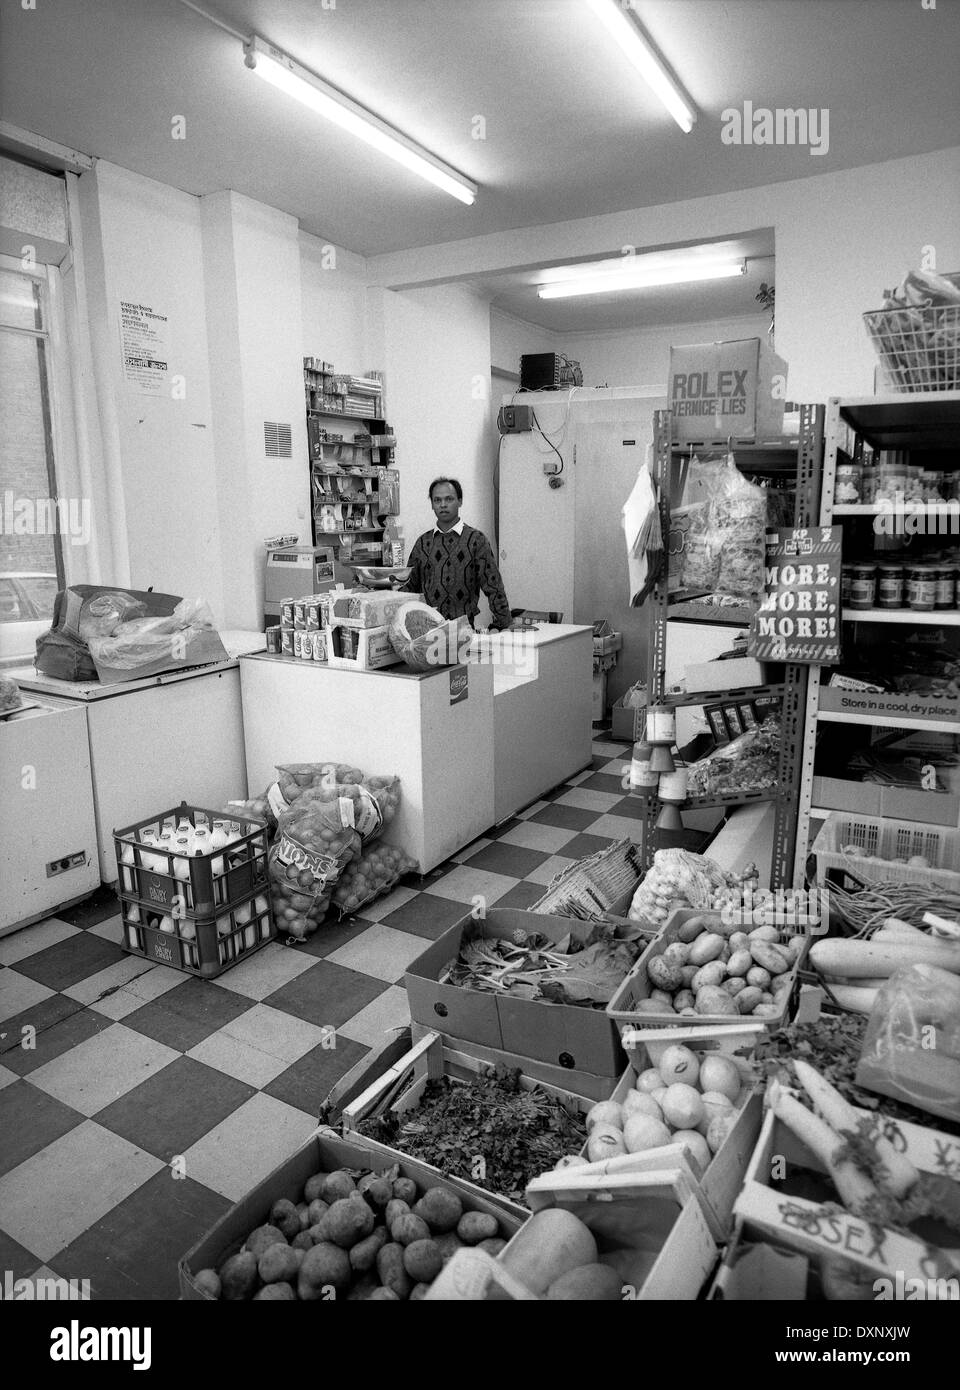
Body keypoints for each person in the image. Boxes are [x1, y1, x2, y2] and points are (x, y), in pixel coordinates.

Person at [399, 477, 512, 631]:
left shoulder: (476, 540)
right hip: (426, 632)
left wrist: (505, 624)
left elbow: (493, 586)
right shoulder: (423, 543)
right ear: (432, 504)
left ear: (460, 501)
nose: (443, 505)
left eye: (449, 499)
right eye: (437, 500)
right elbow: (408, 587)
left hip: (463, 632)